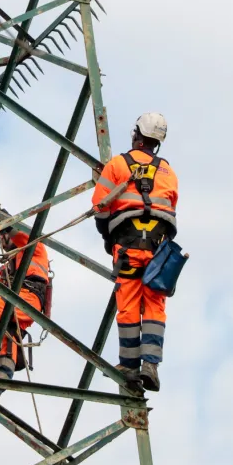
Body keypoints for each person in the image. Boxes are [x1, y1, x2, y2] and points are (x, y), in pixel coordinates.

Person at [91, 113, 178, 393]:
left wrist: (108, 238)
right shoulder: (168, 172)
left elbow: (100, 207)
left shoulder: (117, 165)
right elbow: (171, 209)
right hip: (158, 249)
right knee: (154, 305)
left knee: (128, 303)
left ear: (137, 135)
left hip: (127, 246)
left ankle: (129, 367)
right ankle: (150, 366)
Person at [0, 227, 51, 402]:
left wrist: (1, 221)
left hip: (29, 296)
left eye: (2, 238)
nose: (2, 243)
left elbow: (16, 230)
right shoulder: (11, 265)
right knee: (8, 343)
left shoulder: (34, 247)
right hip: (23, 301)